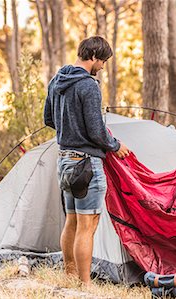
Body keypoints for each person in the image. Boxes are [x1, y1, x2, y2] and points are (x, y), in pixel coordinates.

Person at [44, 36, 130, 286]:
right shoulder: (89, 86)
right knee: (87, 225)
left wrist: (69, 130)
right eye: (102, 61)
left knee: (71, 220)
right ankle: (85, 284)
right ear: (93, 56)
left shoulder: (56, 80)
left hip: (65, 160)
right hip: (87, 164)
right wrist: (115, 146)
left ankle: (70, 275)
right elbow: (96, 130)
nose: (103, 66)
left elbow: (49, 118)